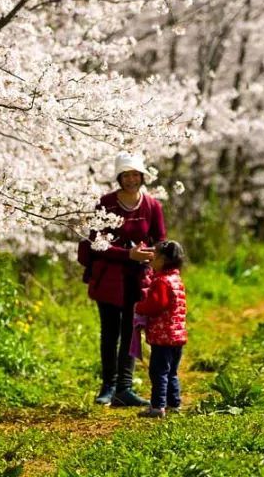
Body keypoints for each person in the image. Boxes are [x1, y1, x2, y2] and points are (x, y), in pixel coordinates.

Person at [82, 153, 165, 407]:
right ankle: (108, 386)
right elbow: (96, 243)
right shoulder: (106, 203)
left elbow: (160, 239)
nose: (131, 180)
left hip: (137, 277)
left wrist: (151, 256)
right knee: (110, 332)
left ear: (142, 177)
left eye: (135, 175)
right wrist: (126, 253)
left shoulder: (152, 205)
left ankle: (124, 388)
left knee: (132, 332)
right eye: (126, 175)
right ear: (119, 178)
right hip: (108, 277)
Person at [134, 240, 188, 418]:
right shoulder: (176, 279)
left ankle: (157, 406)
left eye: (154, 256)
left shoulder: (162, 282)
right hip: (177, 336)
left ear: (163, 260)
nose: (151, 259)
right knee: (171, 371)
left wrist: (140, 307)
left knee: (158, 372)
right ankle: (174, 403)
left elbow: (156, 304)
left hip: (163, 337)